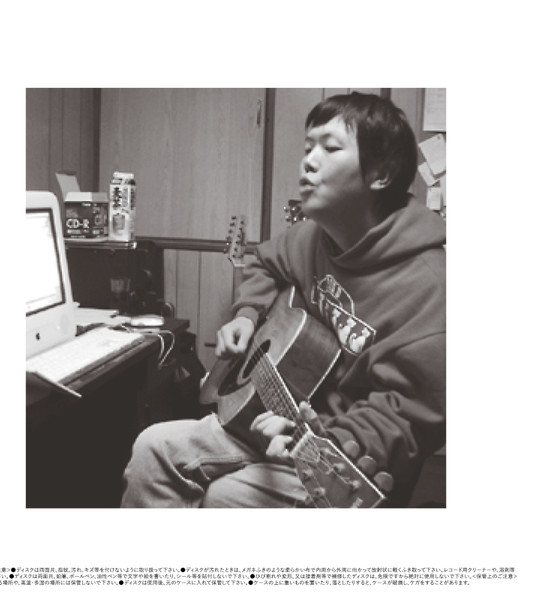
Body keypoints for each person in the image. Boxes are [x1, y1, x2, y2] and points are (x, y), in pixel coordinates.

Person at [120, 92, 446, 508]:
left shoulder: (429, 287)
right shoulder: (313, 237)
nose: (308, 161)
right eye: (308, 147)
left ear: (381, 174)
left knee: (227, 497)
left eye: (330, 148)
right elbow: (265, 262)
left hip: (338, 458)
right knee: (152, 448)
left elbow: (409, 415)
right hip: (269, 412)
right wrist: (247, 314)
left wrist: (316, 438)